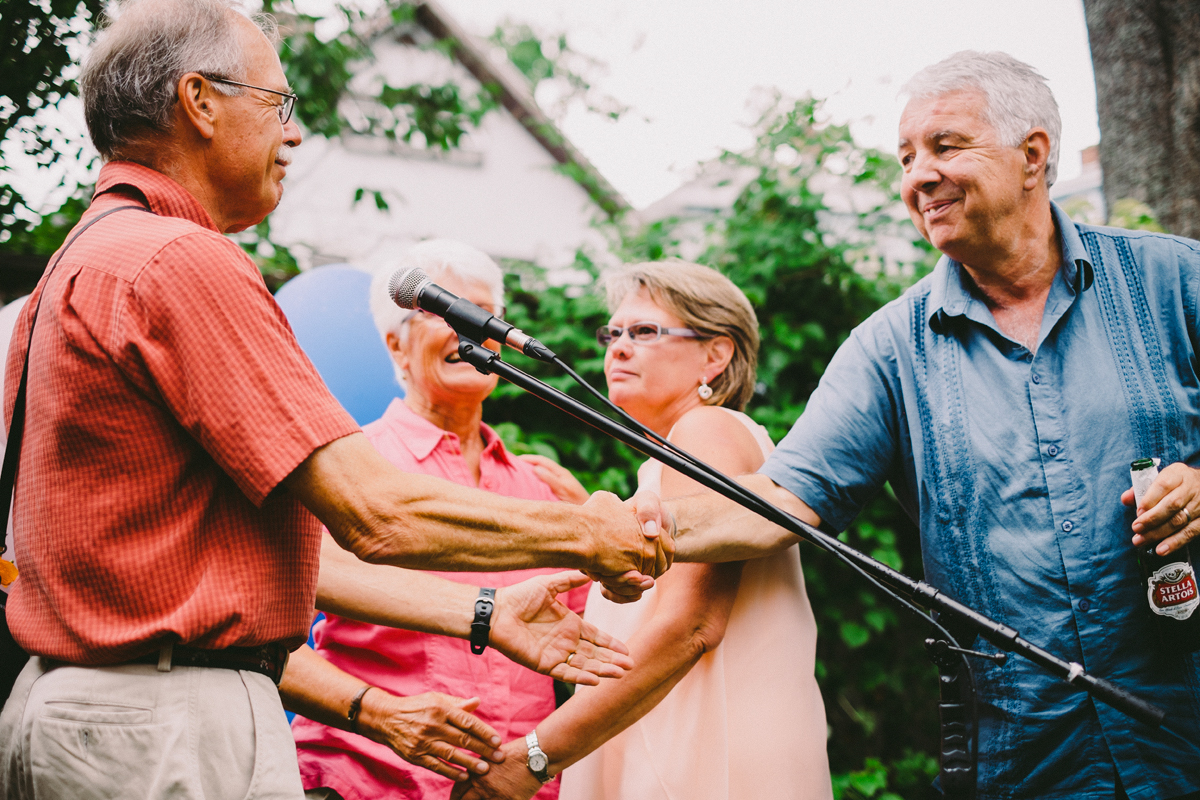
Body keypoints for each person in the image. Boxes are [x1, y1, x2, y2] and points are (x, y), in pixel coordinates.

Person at [0, 2, 670, 798]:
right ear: (199, 102)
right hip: (166, 724)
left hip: (96, 710)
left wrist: (485, 613)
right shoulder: (179, 260)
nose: (296, 134)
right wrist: (589, 531)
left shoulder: (81, 263)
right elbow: (375, 513)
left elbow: (272, 558)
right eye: (280, 104)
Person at [645, 52, 1200, 799]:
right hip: (1023, 757)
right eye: (906, 158)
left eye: (945, 146)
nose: (917, 178)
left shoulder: (1174, 282)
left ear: (1033, 155)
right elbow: (781, 503)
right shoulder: (889, 347)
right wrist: (620, 532)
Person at [451, 260, 832, 800]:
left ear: (716, 354)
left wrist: (535, 756)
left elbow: (690, 626)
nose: (618, 348)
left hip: (706, 761)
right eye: (614, 332)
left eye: (645, 331)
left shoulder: (707, 430)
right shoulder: (676, 458)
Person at [282, 239, 623, 800]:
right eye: (446, 312)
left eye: (485, 312)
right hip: (364, 782)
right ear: (395, 343)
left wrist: (598, 532)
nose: (472, 328)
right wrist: (382, 715)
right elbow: (264, 643)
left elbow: (603, 645)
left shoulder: (542, 489)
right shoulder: (345, 471)